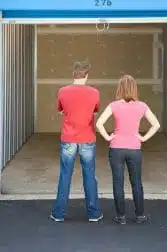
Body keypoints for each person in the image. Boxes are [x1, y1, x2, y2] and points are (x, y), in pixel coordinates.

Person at [96, 75, 160, 224]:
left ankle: (121, 217)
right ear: (134, 88)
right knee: (136, 182)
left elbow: (99, 123)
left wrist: (107, 137)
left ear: (120, 88)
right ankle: (139, 216)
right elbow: (155, 124)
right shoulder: (142, 106)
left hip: (116, 148)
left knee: (118, 182)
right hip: (134, 149)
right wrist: (143, 138)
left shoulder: (114, 105)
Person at [50, 61, 103, 222]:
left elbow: (60, 110)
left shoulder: (62, 91)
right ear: (86, 75)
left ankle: (59, 214)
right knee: (89, 175)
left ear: (73, 74)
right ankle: (93, 214)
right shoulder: (94, 92)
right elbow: (95, 110)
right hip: (87, 138)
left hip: (68, 138)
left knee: (65, 175)